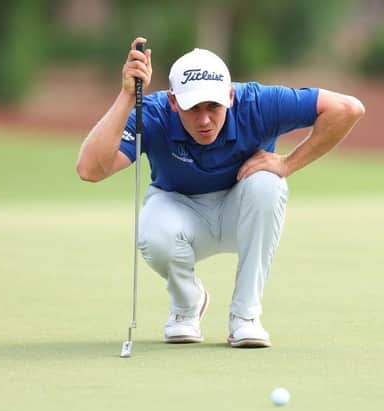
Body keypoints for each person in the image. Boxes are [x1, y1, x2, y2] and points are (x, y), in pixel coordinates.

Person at [77, 37, 365, 348]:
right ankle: (187, 306)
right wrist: (125, 96)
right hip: (180, 213)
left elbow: (348, 109)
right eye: (192, 108)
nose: (204, 120)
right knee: (153, 232)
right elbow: (90, 170)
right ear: (173, 102)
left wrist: (288, 163)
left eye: (213, 106)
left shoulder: (257, 103)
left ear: (229, 95)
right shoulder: (155, 113)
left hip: (240, 213)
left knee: (268, 183)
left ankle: (246, 317)